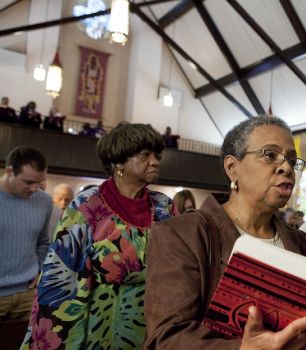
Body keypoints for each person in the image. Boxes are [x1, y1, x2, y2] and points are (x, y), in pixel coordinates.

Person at [144, 115, 306, 349]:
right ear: (232, 167)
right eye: (270, 155)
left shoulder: (301, 242)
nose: (286, 167)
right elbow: (165, 339)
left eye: (291, 159)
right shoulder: (182, 234)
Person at [22, 122, 175, 349]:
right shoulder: (86, 206)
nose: (155, 161)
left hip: (154, 327)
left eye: (157, 155)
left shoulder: (165, 207)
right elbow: (62, 279)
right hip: (100, 328)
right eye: (145, 155)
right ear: (118, 162)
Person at [0, 147, 52, 322]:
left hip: (29, 293)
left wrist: (39, 269)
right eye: (28, 182)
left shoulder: (44, 200)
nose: (34, 189)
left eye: (39, 182)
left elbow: (44, 242)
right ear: (9, 172)